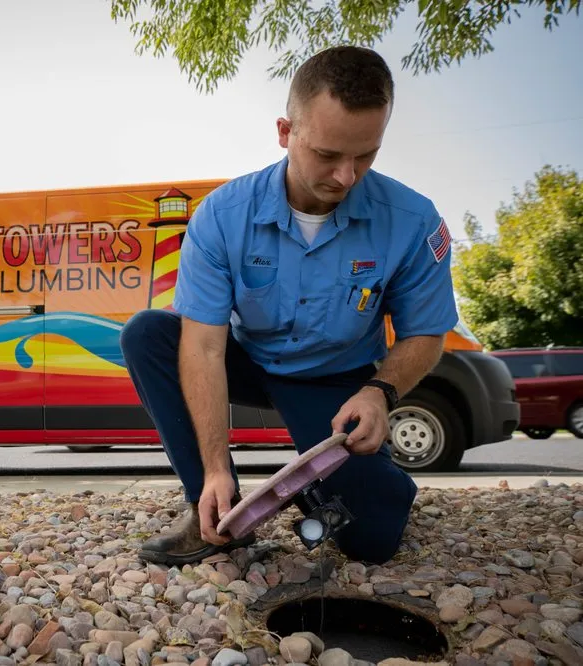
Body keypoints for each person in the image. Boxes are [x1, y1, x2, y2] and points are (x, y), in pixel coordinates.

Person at [120, 45, 458, 567]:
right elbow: (204, 348)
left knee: (370, 543)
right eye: (327, 154)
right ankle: (209, 507)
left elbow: (426, 333)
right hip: (250, 361)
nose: (347, 176)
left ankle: (338, 488)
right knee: (147, 333)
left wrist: (379, 394)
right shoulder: (222, 216)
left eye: (365, 154)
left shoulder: (413, 221)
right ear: (286, 132)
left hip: (337, 380)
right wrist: (216, 470)